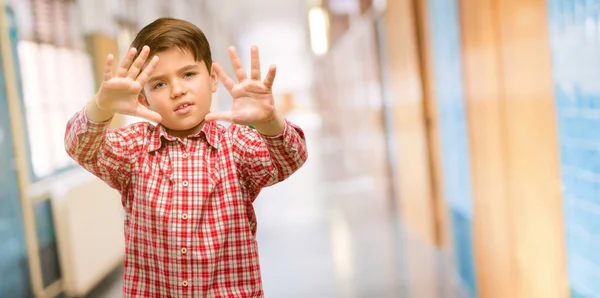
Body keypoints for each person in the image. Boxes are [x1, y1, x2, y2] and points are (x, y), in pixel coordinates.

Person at [64, 17, 308, 297]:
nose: (178, 90)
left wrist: (269, 121)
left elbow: (292, 158)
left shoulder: (236, 145)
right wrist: (101, 106)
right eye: (159, 84)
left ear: (213, 79)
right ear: (143, 99)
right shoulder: (134, 148)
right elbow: (80, 147)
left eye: (188, 74)